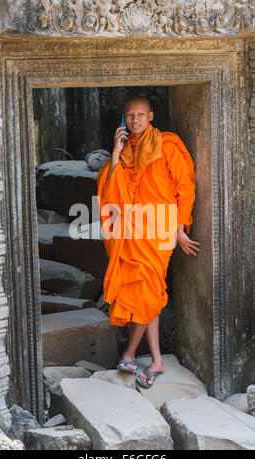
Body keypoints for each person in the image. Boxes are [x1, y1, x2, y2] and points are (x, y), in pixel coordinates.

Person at [97, 96, 200, 387]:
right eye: (129, 115)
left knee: (149, 290)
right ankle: (154, 360)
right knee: (147, 294)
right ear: (124, 120)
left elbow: (185, 187)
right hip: (132, 229)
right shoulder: (125, 149)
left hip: (161, 230)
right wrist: (116, 152)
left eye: (140, 114)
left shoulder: (167, 145)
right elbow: (108, 189)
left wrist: (181, 229)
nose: (135, 120)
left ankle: (130, 352)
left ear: (151, 116)